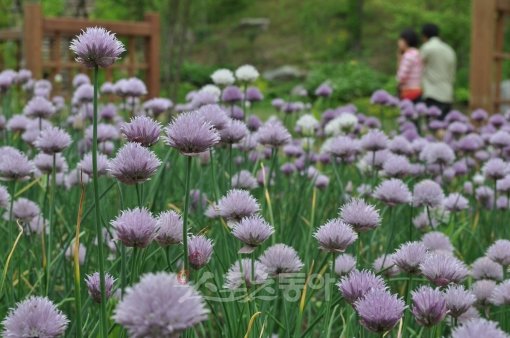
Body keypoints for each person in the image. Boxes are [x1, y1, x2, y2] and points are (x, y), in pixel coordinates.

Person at [420, 23, 456, 118]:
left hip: (432, 93)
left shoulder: (427, 48)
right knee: (444, 126)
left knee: (434, 127)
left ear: (424, 36)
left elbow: (418, 66)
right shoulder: (449, 49)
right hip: (447, 94)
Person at [397, 29, 423, 102]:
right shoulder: (418, 53)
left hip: (408, 92)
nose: (398, 43)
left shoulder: (408, 55)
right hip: (418, 90)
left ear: (406, 41)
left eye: (400, 40)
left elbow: (401, 77)